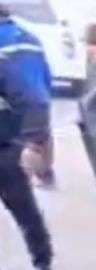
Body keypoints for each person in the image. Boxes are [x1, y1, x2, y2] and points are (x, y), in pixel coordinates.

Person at [0, 2, 50, 270]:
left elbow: (31, 100)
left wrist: (32, 142)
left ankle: (42, 261)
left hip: (4, 148)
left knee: (23, 208)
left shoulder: (4, 62)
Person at [0, 2, 53, 188]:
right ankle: (44, 176)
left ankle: (27, 182)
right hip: (39, 98)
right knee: (37, 140)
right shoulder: (30, 37)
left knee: (21, 149)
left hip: (13, 103)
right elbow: (46, 73)